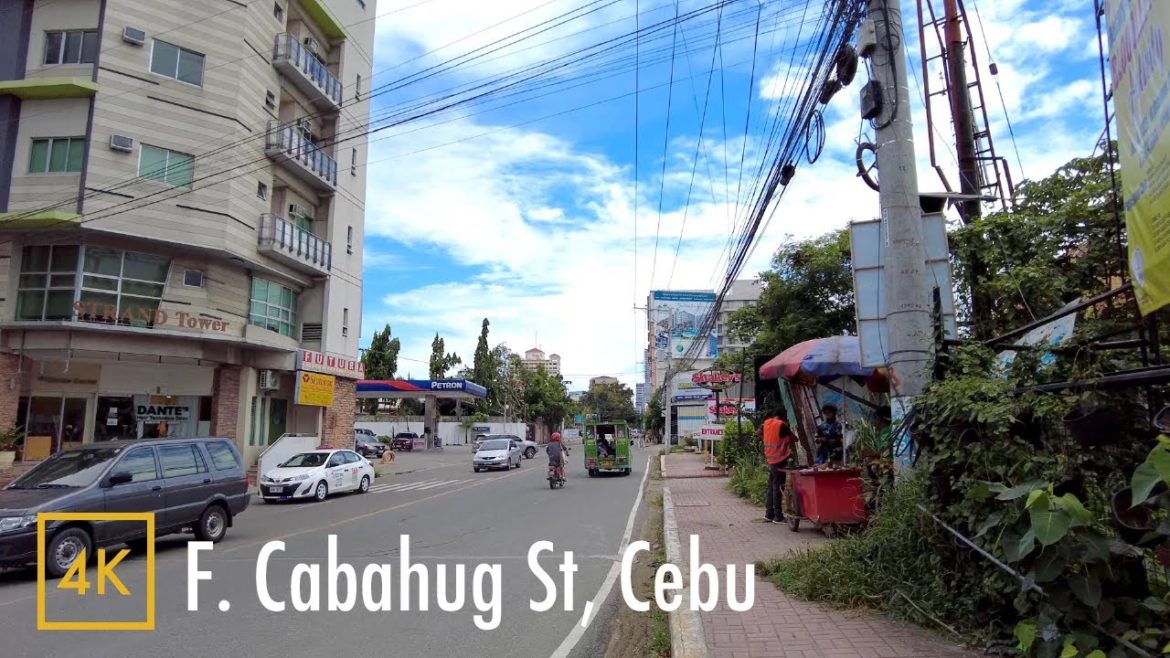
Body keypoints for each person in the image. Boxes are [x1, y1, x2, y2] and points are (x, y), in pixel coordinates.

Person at [762, 408, 795, 523]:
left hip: (770, 459)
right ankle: (778, 516)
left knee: (771, 487)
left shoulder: (766, 424)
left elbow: (758, 433)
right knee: (778, 488)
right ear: (783, 416)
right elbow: (794, 438)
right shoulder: (782, 424)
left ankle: (768, 514)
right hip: (780, 460)